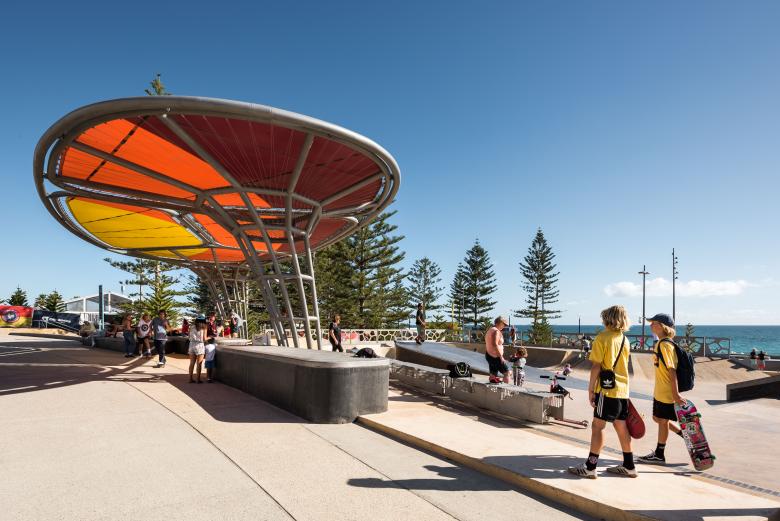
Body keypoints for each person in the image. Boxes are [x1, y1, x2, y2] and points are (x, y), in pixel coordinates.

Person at [568, 305, 636, 479]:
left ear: (608, 319)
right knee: (621, 426)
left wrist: (591, 389)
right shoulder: (625, 340)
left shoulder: (602, 338)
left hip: (606, 391)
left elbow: (596, 366)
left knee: (598, 426)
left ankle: (590, 467)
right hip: (623, 390)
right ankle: (629, 466)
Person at [637, 313, 686, 465]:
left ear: (663, 326)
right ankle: (683, 433)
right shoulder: (661, 343)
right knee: (657, 418)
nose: (651, 325)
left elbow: (672, 370)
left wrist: (675, 394)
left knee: (663, 421)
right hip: (660, 390)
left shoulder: (665, 345)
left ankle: (659, 454)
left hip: (666, 391)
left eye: (654, 323)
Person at [485, 316, 511, 384]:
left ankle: (491, 388)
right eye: (504, 324)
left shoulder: (490, 329)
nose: (504, 326)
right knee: (507, 373)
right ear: (499, 323)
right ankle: (506, 388)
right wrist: (501, 357)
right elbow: (495, 344)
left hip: (489, 355)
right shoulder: (496, 331)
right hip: (495, 356)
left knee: (493, 375)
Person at [188, 319, 207, 383]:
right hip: (200, 345)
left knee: (192, 363)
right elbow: (204, 339)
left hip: (191, 345)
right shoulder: (204, 327)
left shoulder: (191, 327)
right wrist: (210, 338)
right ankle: (198, 379)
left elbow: (189, 336)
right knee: (199, 363)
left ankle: (190, 379)